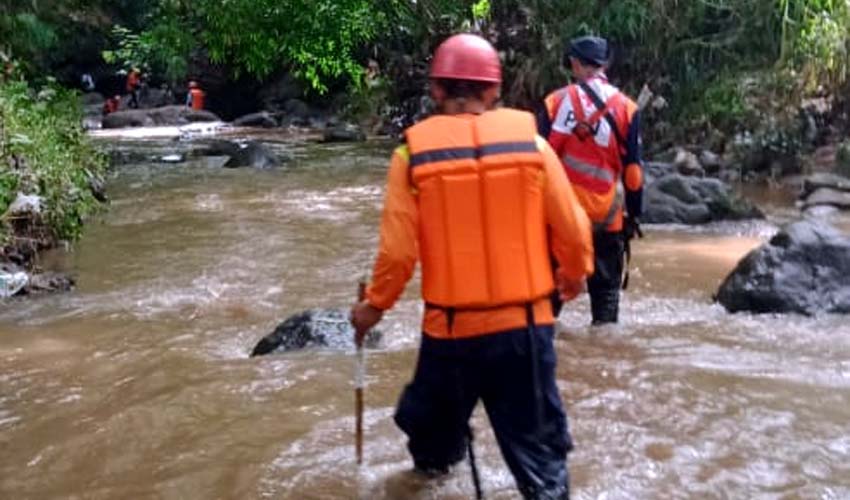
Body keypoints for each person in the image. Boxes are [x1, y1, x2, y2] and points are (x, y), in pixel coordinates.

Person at [350, 33, 594, 499]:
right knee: (542, 466)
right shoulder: (534, 147)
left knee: (433, 452)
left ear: (437, 90)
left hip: (451, 338)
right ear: (494, 91)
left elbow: (399, 255)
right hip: (525, 331)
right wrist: (574, 274)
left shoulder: (410, 156)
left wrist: (372, 309)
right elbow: (574, 230)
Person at [537, 36, 644, 325]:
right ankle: (604, 357)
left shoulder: (554, 102)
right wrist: (634, 215)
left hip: (561, 219)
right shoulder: (627, 108)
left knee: (549, 302)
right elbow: (633, 175)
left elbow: (536, 162)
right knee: (606, 302)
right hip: (607, 219)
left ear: (575, 63)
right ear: (603, 65)